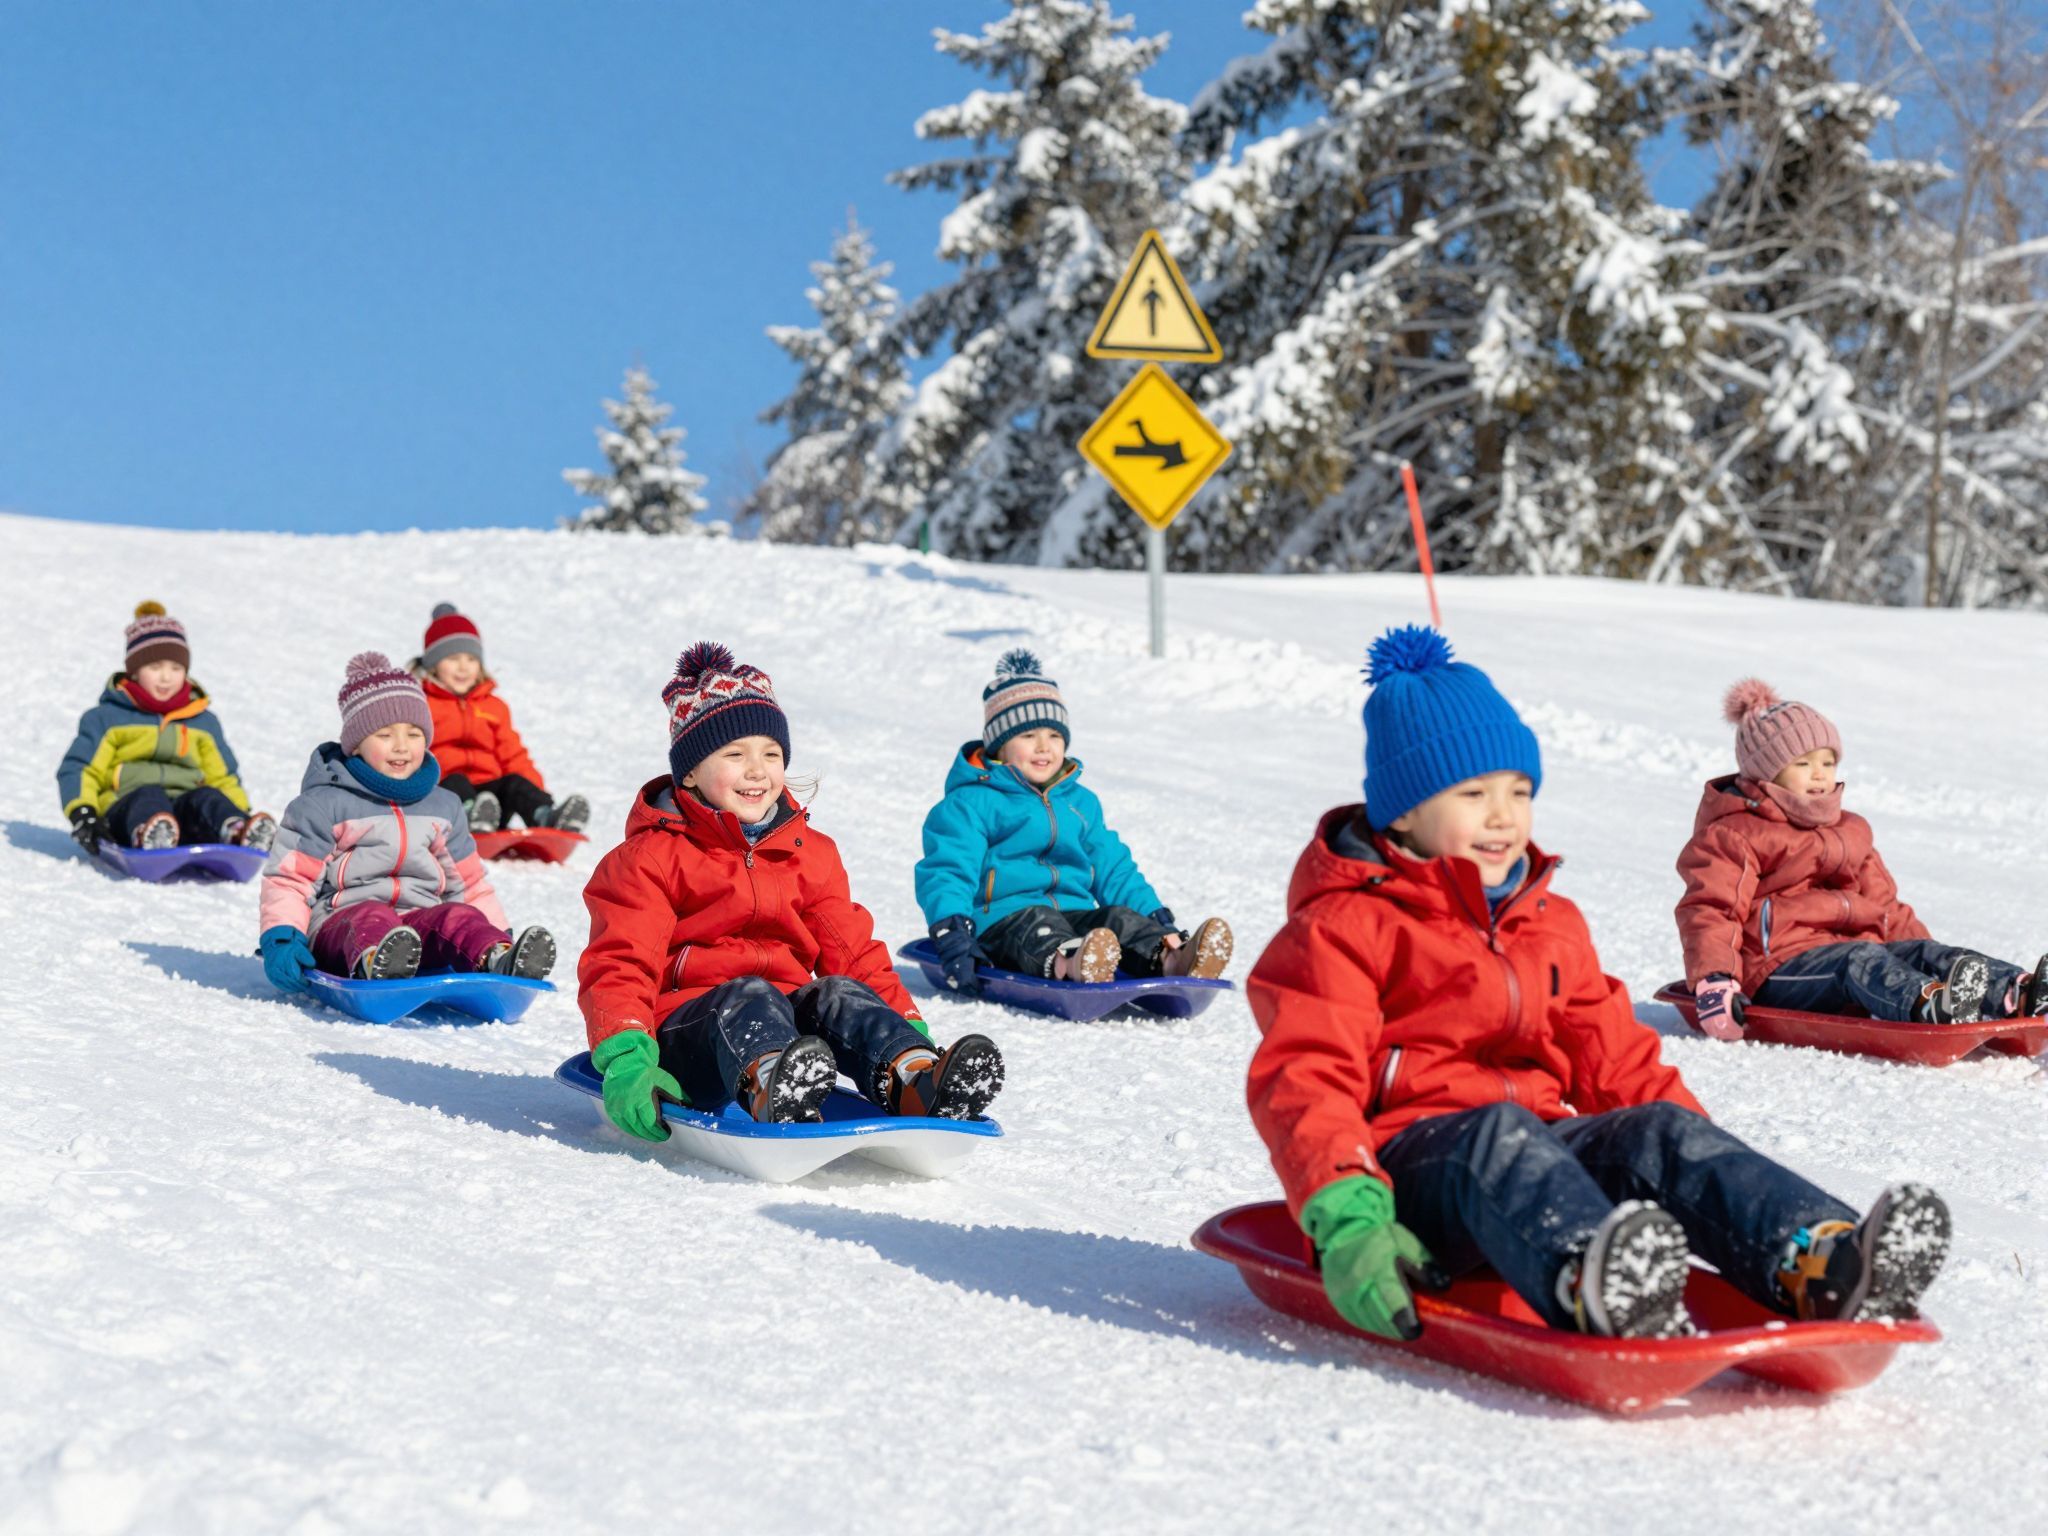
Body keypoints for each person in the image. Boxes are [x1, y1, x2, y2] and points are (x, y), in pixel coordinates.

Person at [1246, 626, 1951, 1342]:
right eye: (1473, 794)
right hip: (1407, 1180)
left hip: (1538, 1166)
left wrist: (1698, 1170)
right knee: (1496, 1133)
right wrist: (1350, 1221)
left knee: (1654, 1130)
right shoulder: (1342, 927)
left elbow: (1618, 1063)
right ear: (1403, 811)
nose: (1503, 816)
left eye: (1519, 791)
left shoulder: (1548, 922)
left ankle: (1821, 1258)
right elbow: (1306, 1080)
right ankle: (1598, 1280)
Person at [578, 642, 1004, 1136]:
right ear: (690, 772)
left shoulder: (810, 854)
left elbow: (856, 955)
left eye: (771, 754)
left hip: (786, 1031)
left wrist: (909, 1030)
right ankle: (774, 1087)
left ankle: (914, 1079)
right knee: (748, 993)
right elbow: (620, 963)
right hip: (686, 1037)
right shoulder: (649, 859)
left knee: (839, 992)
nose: (757, 770)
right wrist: (628, 1059)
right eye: (734, 754)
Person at [1677, 679, 2043, 1038]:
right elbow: (1711, 909)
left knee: (1924, 952)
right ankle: (1929, 1005)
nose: (1820, 774)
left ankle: (2021, 993)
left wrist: (1918, 955)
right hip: (1780, 969)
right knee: (1859, 960)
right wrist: (1715, 981)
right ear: (1766, 771)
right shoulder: (1736, 833)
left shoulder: (1850, 830)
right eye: (1802, 764)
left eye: (1828, 762)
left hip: (1858, 954)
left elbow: (1886, 906)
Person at [915, 649, 1231, 993]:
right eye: (1027, 736)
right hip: (1004, 924)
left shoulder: (1080, 803)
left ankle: (1172, 959)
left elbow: (1114, 869)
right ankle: (1071, 964)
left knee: (1117, 919)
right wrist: (953, 934)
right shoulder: (970, 803)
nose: (1043, 747)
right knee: (1039, 924)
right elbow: (948, 871)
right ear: (999, 747)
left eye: (1054, 736)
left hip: (1077, 921)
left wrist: (1156, 920)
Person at [258, 652, 554, 989]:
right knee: (371, 915)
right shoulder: (323, 805)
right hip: (343, 927)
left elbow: (468, 884)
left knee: (456, 916)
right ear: (356, 745)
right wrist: (282, 937)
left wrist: (496, 933)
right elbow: (290, 880)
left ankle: (497, 958)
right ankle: (375, 961)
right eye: (385, 735)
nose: (401, 747)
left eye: (413, 734)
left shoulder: (443, 806)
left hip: (417, 929)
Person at [58, 600, 273, 854]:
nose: (166, 677)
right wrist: (84, 814)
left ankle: (237, 831)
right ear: (135, 671)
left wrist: (237, 809)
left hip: (184, 814)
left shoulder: (202, 722)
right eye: (154, 667)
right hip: (125, 808)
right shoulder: (107, 718)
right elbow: (81, 768)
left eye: (176, 667)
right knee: (148, 795)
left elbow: (223, 776)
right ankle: (148, 834)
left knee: (206, 798)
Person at [411, 602, 588, 835]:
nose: (463, 667)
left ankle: (545, 814)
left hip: (491, 801)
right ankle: (469, 817)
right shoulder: (421, 705)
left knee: (514, 782)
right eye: (453, 658)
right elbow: (411, 752)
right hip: (446, 796)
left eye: (471, 659)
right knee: (456, 781)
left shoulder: (494, 707)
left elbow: (513, 754)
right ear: (434, 664)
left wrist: (535, 792)